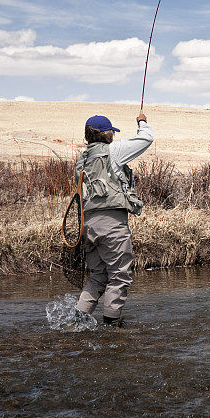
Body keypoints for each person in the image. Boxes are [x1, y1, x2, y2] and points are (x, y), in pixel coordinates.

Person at [73, 111, 153, 327]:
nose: (113, 135)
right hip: (112, 224)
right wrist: (142, 123)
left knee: (98, 276)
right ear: (101, 133)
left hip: (87, 226)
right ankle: (112, 328)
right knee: (119, 276)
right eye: (111, 131)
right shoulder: (113, 151)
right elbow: (146, 139)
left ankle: (77, 323)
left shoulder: (82, 161)